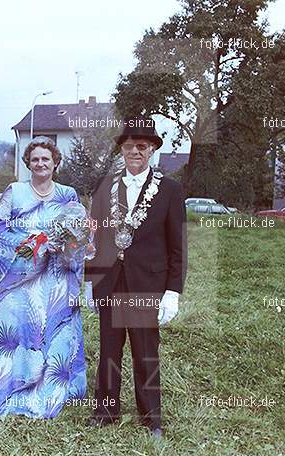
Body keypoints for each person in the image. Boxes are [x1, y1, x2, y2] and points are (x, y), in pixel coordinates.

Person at [84, 116, 187, 436]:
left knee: (145, 352)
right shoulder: (105, 187)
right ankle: (106, 411)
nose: (135, 152)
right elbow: (95, 240)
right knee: (108, 350)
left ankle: (151, 417)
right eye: (129, 146)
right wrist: (90, 281)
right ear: (122, 150)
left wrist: (172, 291)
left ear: (153, 149)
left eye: (142, 146)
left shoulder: (170, 190)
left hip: (147, 284)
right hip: (110, 282)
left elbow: (177, 246)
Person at [0, 136, 94, 418]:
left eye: (46, 159)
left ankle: (50, 394)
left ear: (56, 162)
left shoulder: (68, 194)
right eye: (35, 159)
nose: (41, 163)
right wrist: (37, 245)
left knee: (54, 334)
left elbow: (80, 233)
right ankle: (11, 395)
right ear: (27, 164)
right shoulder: (15, 192)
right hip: (22, 281)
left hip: (56, 279)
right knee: (17, 332)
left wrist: (70, 244)